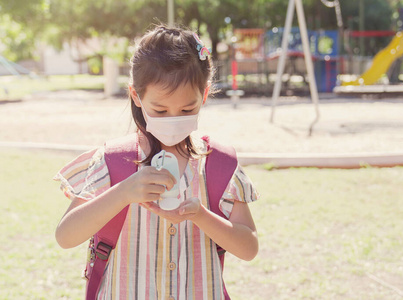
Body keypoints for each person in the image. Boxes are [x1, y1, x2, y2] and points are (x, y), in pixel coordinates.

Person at [54, 25, 259, 300]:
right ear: (136, 95)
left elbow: (249, 248)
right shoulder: (113, 161)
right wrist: (125, 192)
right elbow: (65, 236)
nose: (173, 118)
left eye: (187, 109)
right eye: (160, 110)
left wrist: (200, 215)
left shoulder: (219, 165)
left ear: (205, 95)